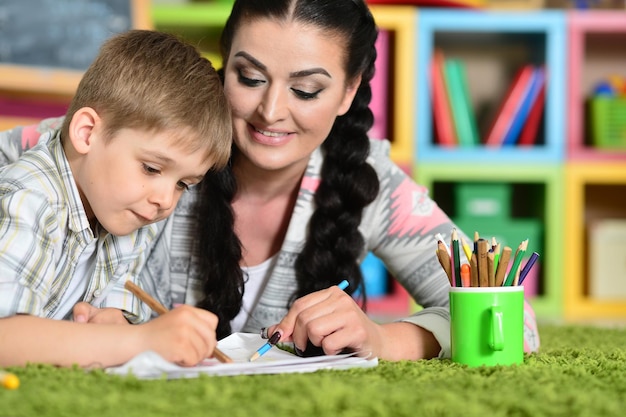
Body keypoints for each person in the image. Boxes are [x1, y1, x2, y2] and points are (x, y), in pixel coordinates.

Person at [0, 0, 540, 361]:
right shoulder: (158, 141)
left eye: (306, 89)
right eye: (249, 77)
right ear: (224, 62)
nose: (270, 111)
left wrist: (384, 338)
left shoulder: (367, 181)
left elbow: (514, 320)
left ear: (349, 91)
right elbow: (55, 153)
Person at [0, 29, 232, 368]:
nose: (166, 200)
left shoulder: (131, 211)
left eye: (184, 183)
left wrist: (113, 322)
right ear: (87, 133)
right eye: (151, 168)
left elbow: (109, 316)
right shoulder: (31, 197)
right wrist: (138, 340)